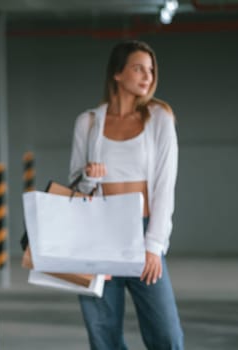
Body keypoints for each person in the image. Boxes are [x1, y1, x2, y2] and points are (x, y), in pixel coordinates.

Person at [68, 40, 184, 349]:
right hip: (98, 234)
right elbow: (76, 188)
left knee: (166, 334)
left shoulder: (159, 117)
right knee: (103, 334)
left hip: (142, 231)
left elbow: (164, 184)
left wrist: (154, 245)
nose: (147, 76)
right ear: (118, 73)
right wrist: (89, 178)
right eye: (138, 68)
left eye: (151, 69)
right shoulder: (88, 122)